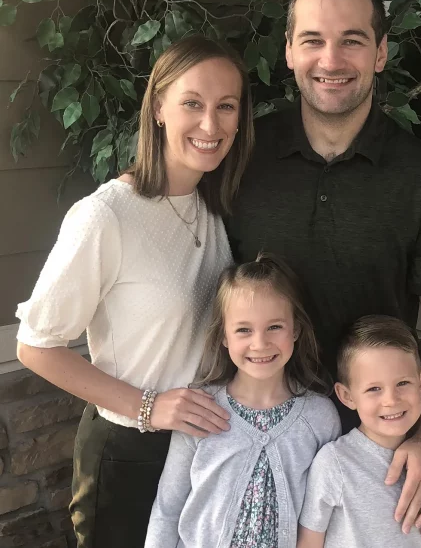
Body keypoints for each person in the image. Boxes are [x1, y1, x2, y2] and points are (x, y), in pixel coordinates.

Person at [225, 0, 421, 533]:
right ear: (288, 51)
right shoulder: (242, 160)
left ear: (380, 53)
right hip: (259, 436)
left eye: (351, 41)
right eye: (312, 40)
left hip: (374, 451)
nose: (330, 61)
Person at [15, 35, 254, 548]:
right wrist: (148, 406)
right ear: (160, 108)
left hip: (201, 448)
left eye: (226, 106)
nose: (210, 125)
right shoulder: (107, 215)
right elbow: (35, 345)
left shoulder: (212, 205)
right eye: (192, 103)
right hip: (130, 451)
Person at [144, 252, 341, 548]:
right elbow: (167, 509)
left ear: (296, 329)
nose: (259, 343)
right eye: (243, 330)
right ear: (224, 335)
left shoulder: (319, 417)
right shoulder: (198, 408)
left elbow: (329, 514)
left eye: (274, 326)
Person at [297, 315, 421, 548]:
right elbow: (309, 542)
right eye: (374, 388)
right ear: (347, 396)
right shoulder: (335, 464)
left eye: (402, 383)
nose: (391, 400)